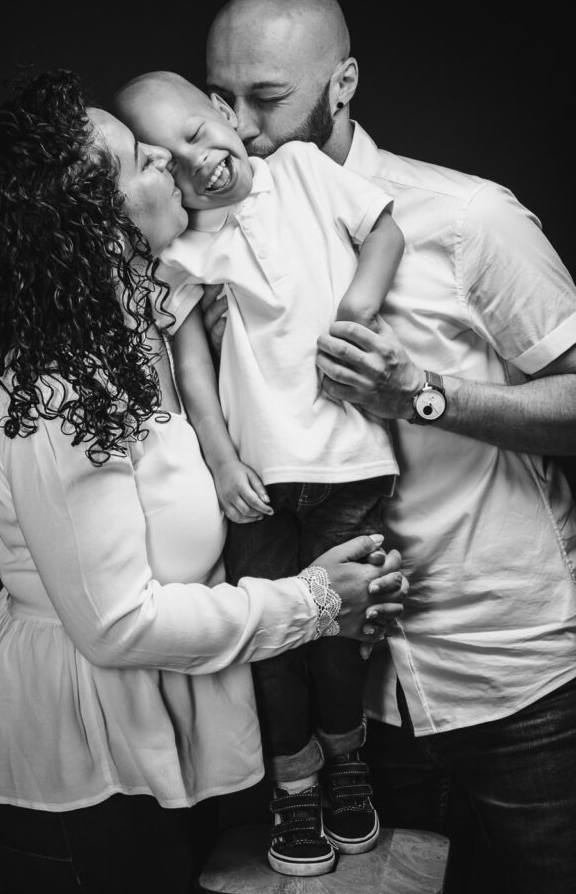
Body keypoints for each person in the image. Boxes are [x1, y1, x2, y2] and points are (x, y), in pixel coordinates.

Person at [0, 68, 408, 894]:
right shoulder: (58, 396)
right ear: (98, 225)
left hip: (159, 740)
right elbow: (119, 625)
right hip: (76, 768)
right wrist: (318, 598)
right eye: (139, 160)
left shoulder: (150, 336)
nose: (165, 157)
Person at [201, 0, 576, 894]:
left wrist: (427, 396)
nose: (239, 126)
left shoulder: (464, 217)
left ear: (343, 84)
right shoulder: (216, 238)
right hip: (359, 706)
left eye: (266, 97)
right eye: (221, 97)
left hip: (508, 673)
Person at [113, 70, 404, 876]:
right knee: (273, 647)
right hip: (258, 474)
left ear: (223, 115)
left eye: (199, 134)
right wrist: (219, 452)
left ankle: (350, 771)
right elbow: (184, 349)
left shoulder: (306, 172)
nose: (197, 162)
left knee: (344, 636)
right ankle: (295, 789)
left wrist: (359, 309)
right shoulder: (189, 245)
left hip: (348, 460)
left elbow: (383, 231)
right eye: (167, 162)